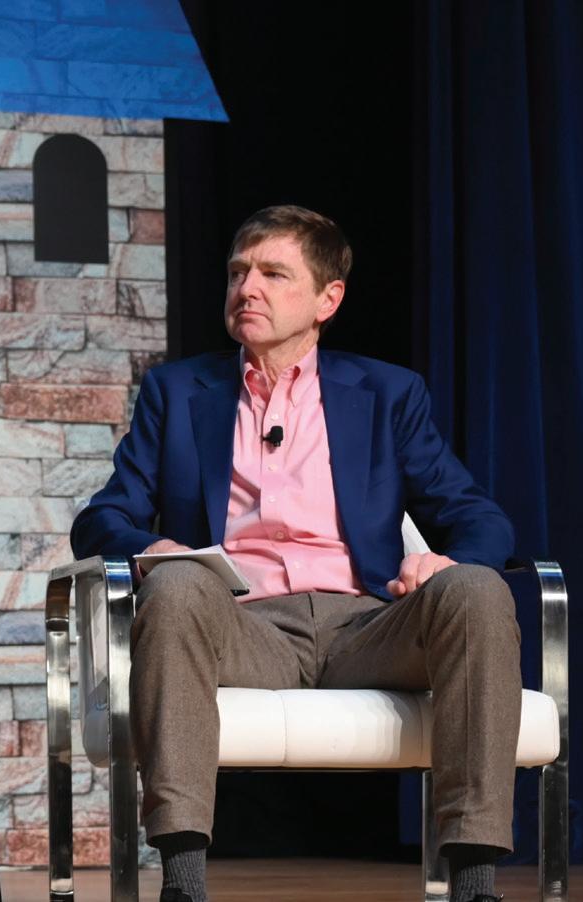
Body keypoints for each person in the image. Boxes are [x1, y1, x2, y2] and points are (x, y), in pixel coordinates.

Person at [73, 205, 519, 902]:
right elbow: (102, 518)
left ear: (326, 299)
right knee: (176, 585)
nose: (246, 288)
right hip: (243, 626)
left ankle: (475, 885)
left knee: (478, 588)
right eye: (237, 272)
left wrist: (444, 561)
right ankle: (183, 883)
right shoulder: (177, 392)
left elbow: (476, 515)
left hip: (367, 626)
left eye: (273, 274)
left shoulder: (387, 394)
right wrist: (159, 547)